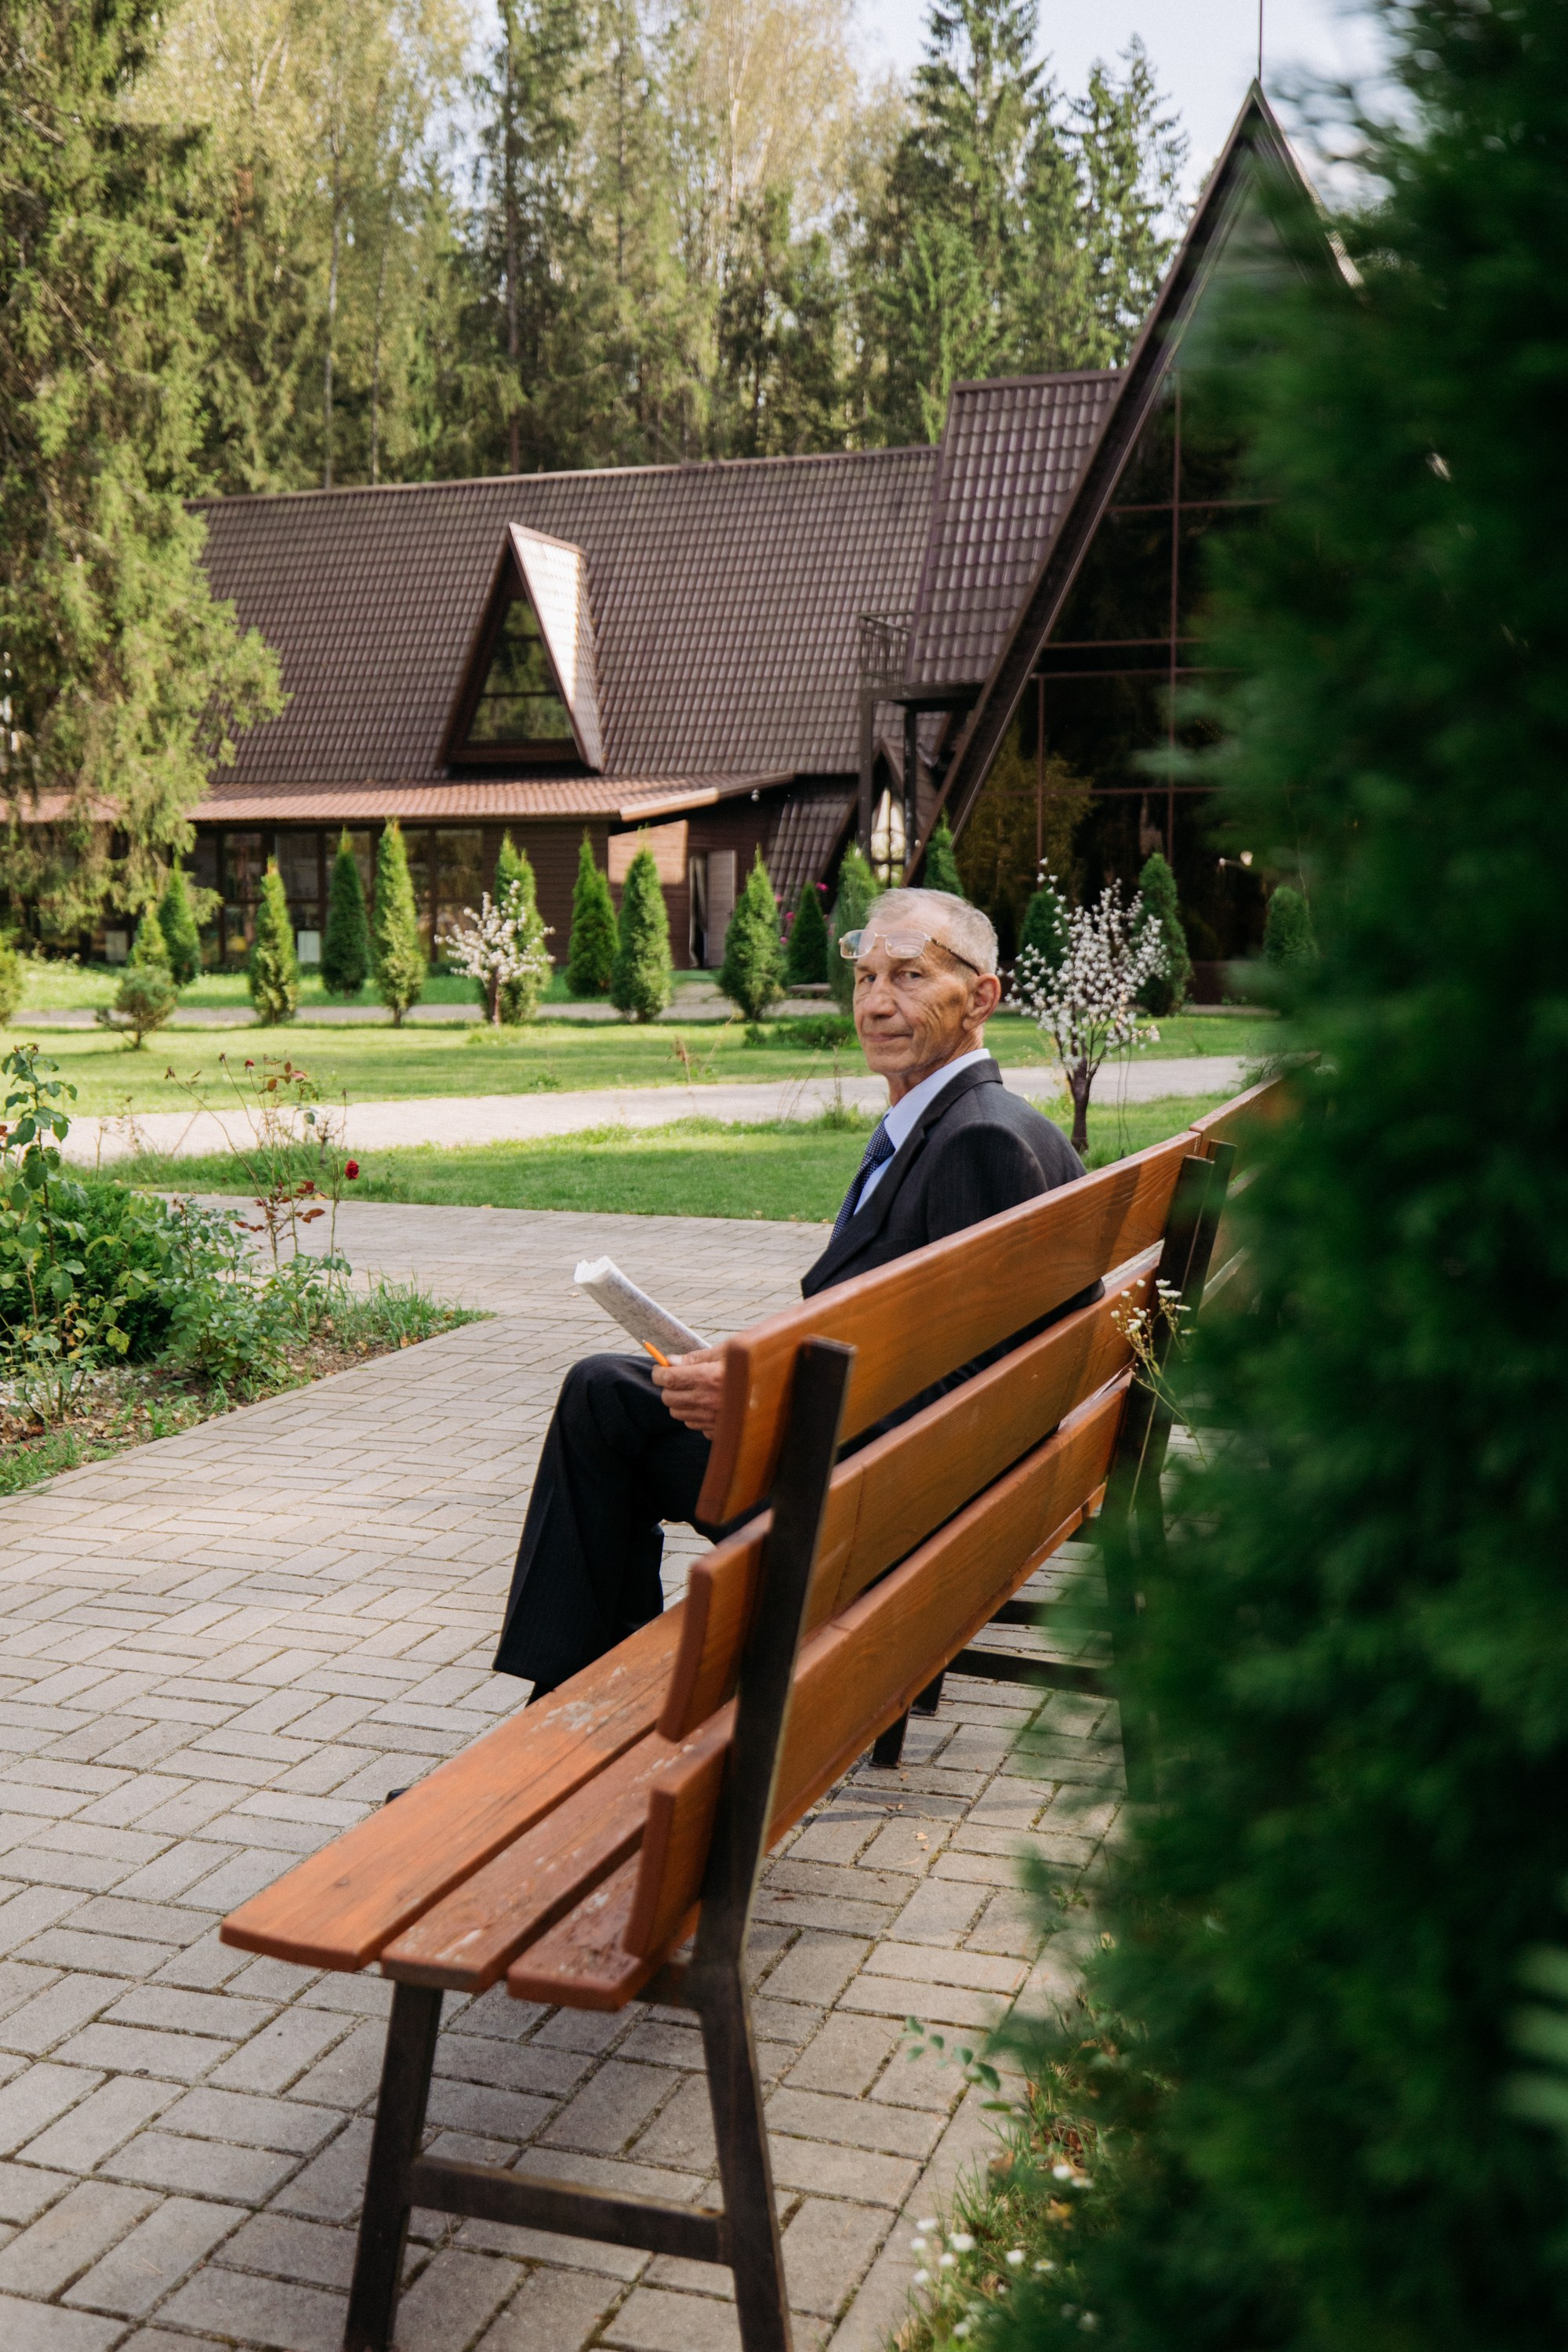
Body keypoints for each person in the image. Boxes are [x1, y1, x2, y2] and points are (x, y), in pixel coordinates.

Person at [494, 886, 1089, 1693]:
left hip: (883, 1516)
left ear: (981, 996)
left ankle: (563, 1711)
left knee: (602, 1403)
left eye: (908, 978)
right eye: (863, 980)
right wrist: (749, 1369)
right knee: (611, 1389)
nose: (876, 1004)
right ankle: (573, 1696)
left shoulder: (976, 1144)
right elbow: (925, 1347)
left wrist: (765, 1399)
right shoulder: (971, 1122)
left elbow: (966, 1391)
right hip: (887, 1478)